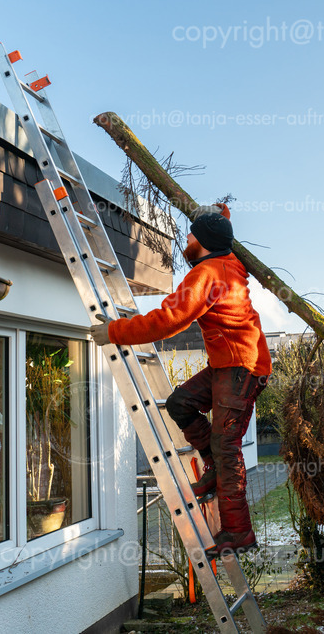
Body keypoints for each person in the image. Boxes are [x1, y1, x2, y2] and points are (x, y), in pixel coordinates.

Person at [89, 204, 271, 557]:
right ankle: (214, 471)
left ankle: (238, 532)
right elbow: (221, 232)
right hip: (230, 363)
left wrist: (114, 331)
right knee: (180, 403)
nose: (185, 238)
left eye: (191, 234)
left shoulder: (205, 275)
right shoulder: (226, 261)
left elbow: (168, 320)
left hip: (241, 366)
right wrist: (221, 214)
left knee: (227, 447)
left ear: (203, 241)